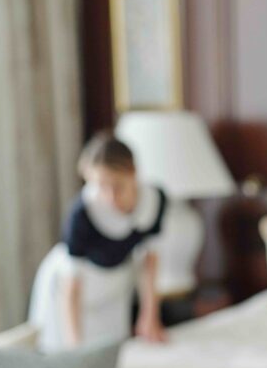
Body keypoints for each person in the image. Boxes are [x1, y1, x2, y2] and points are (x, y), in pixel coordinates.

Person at [30, 133, 168, 352]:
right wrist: (75, 349)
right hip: (67, 293)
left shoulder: (154, 201)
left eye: (118, 185)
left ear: (133, 173)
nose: (110, 196)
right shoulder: (82, 215)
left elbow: (149, 261)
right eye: (101, 185)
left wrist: (149, 316)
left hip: (113, 289)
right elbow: (71, 287)